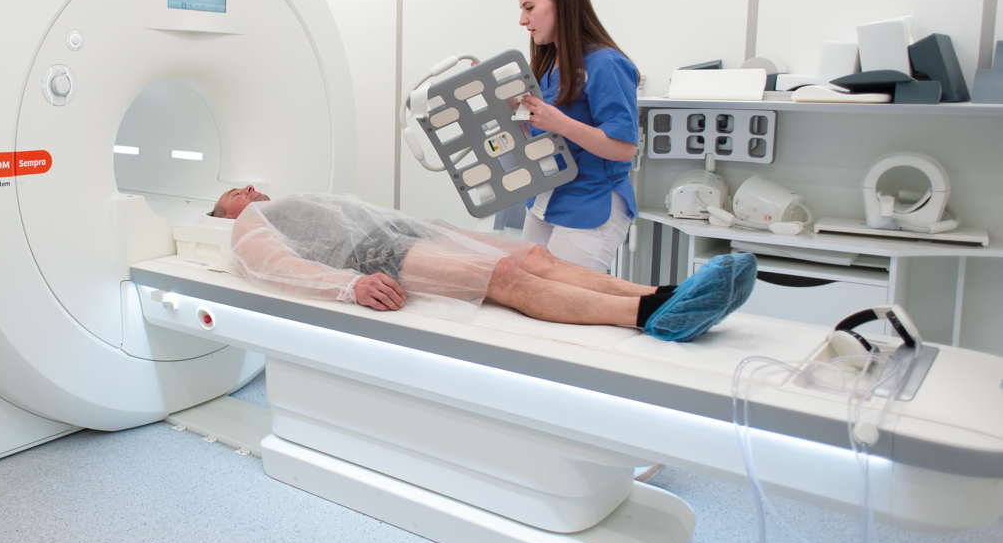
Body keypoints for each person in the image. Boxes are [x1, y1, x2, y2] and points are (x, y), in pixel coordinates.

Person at [217, 190, 755, 342]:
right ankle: (650, 315)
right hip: (373, 255)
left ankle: (664, 292)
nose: (247, 189)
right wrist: (349, 286)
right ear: (227, 212)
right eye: (231, 194)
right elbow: (273, 268)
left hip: (409, 231)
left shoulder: (288, 199)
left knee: (534, 255)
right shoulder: (248, 224)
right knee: (504, 278)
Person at [515, 0, 639, 273]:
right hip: (547, 197)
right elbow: (541, 136)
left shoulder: (606, 63)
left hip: (591, 200)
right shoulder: (549, 65)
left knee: (561, 295)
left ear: (561, 2)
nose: (522, 20)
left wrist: (558, 122)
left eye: (529, 8)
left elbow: (624, 148)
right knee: (522, 286)